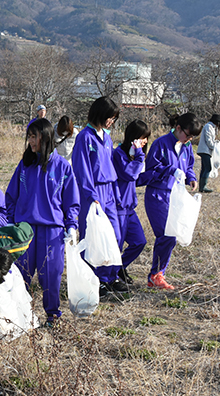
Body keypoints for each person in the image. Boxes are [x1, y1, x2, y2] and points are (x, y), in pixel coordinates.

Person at [6, 118, 80, 326]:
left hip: (52, 231)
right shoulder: (24, 165)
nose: (30, 141)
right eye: (28, 136)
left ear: (45, 137)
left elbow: (71, 201)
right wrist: (14, 221)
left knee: (51, 277)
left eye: (33, 136)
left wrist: (71, 225)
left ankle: (53, 316)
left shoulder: (63, 167)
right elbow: (11, 196)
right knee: (21, 275)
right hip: (25, 230)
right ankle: (20, 314)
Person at [71, 96, 127, 295]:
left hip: (109, 191)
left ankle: (110, 276)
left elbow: (110, 164)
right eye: (109, 117)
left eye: (114, 118)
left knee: (114, 235)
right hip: (92, 194)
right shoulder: (84, 137)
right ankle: (93, 279)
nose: (111, 121)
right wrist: (90, 194)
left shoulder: (107, 136)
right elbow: (82, 169)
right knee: (93, 237)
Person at [140, 113, 201, 290]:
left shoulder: (187, 146)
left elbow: (188, 166)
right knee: (166, 235)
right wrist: (171, 170)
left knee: (172, 235)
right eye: (188, 134)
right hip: (158, 195)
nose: (189, 139)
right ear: (178, 128)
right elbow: (151, 168)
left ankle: (158, 274)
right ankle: (156, 275)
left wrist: (191, 177)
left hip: (176, 197)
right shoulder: (160, 144)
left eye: (192, 137)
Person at [112, 120, 150, 285]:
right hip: (118, 208)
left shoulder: (133, 156)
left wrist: (158, 173)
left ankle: (120, 267)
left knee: (139, 241)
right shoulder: (119, 154)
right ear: (134, 138)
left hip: (129, 208)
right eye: (143, 138)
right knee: (116, 245)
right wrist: (140, 156)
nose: (145, 142)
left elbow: (136, 179)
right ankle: (111, 277)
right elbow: (129, 175)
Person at [197, 114, 220, 193]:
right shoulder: (208, 127)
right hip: (205, 150)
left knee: (204, 168)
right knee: (208, 168)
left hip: (205, 150)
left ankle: (201, 187)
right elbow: (208, 139)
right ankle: (203, 186)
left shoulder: (211, 127)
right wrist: (214, 147)